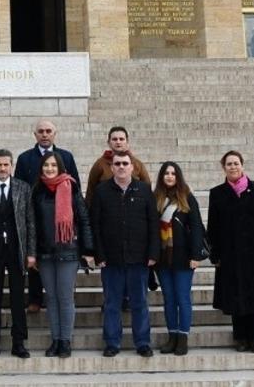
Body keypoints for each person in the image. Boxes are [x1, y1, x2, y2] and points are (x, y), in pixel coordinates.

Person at [207, 150, 254, 353]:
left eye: (236, 163)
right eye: (229, 164)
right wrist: (214, 253)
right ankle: (240, 337)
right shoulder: (217, 193)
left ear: (242, 165)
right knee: (235, 295)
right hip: (231, 255)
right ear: (224, 168)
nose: (233, 167)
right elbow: (213, 227)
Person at [90, 151, 159, 358]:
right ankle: (112, 342)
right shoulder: (102, 191)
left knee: (139, 302)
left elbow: (153, 224)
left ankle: (143, 342)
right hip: (111, 259)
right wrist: (98, 254)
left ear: (132, 167)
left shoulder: (145, 191)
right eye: (117, 163)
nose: (121, 166)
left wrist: (153, 252)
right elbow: (96, 226)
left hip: (139, 258)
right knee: (112, 303)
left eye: (125, 163)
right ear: (111, 168)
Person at [32, 151, 94, 358]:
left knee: (65, 297)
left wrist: (88, 250)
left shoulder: (71, 187)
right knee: (51, 298)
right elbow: (32, 224)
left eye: (53, 165)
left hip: (68, 251)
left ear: (60, 167)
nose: (49, 169)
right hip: (45, 253)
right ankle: (55, 339)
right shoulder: (37, 191)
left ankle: (65, 340)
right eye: (46, 166)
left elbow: (84, 220)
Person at [15, 119, 80, 313]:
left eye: (48, 131)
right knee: (36, 260)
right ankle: (35, 298)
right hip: (35, 215)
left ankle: (65, 297)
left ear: (55, 133)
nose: (44, 134)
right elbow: (19, 185)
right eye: (41, 131)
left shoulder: (65, 157)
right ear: (35, 135)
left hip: (62, 218)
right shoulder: (25, 158)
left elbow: (74, 183)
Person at [0, 149, 34, 359]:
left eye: (6, 165)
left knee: (18, 298)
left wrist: (30, 252)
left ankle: (18, 342)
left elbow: (30, 221)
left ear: (11, 166)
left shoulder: (23, 188)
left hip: (16, 248)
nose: (3, 168)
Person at [153, 161, 207, 356]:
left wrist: (196, 255)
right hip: (162, 258)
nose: (169, 176)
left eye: (173, 173)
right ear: (161, 177)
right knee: (169, 299)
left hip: (184, 258)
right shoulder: (155, 199)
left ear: (178, 177)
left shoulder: (187, 198)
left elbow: (197, 228)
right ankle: (172, 336)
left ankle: (183, 337)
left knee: (182, 298)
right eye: (166, 173)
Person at [86, 125, 150, 206]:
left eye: (121, 139)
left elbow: (147, 188)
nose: (118, 142)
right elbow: (91, 191)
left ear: (127, 141)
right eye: (114, 139)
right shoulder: (99, 164)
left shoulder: (137, 164)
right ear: (109, 142)